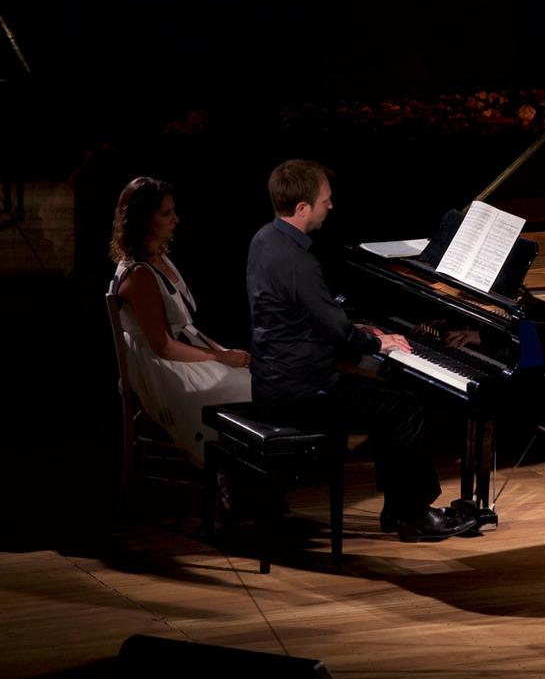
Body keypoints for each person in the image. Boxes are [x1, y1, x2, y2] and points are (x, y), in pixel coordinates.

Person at [246, 158, 475, 542]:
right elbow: (336, 332)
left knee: (392, 399)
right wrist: (376, 340)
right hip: (302, 391)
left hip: (273, 380)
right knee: (405, 408)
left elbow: (309, 317)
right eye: (324, 201)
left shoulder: (264, 239)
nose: (330, 206)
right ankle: (415, 517)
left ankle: (398, 511)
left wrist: (355, 328)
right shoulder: (298, 262)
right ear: (302, 209)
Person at [109, 176, 252, 467]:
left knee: (255, 375)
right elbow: (163, 345)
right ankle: (231, 476)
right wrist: (220, 357)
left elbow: (187, 328)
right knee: (251, 390)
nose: (176, 219)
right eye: (166, 213)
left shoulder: (159, 258)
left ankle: (244, 475)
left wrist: (226, 353)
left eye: (173, 211)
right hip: (163, 369)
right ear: (143, 219)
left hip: (182, 353)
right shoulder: (139, 275)